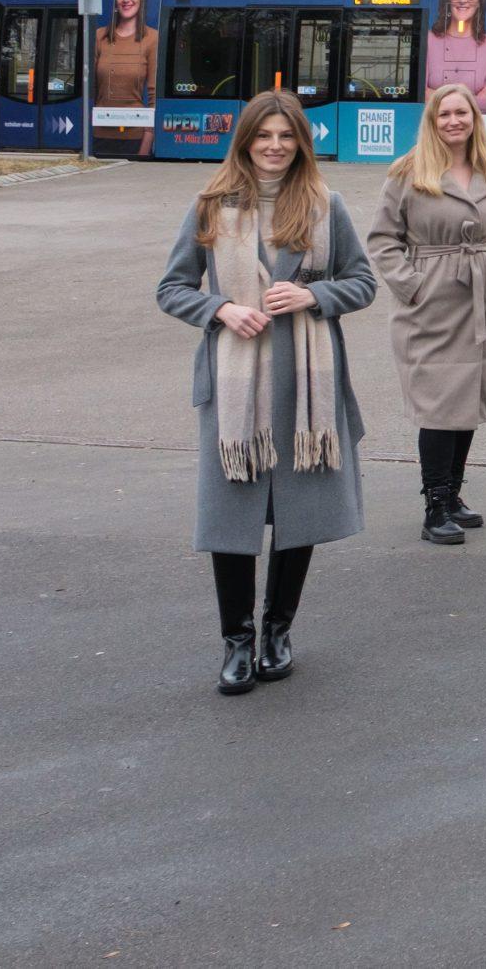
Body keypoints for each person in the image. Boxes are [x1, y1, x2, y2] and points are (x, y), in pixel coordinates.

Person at [155, 89, 377, 695]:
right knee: (233, 516)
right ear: (246, 140)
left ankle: (278, 630)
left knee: (298, 513)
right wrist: (221, 308)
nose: (275, 147)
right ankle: (236, 640)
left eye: (286, 136)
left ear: (300, 142)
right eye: (264, 136)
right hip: (234, 393)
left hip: (308, 389)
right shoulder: (211, 205)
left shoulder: (327, 204)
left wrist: (314, 296)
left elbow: (362, 282)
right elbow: (172, 288)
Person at [368, 83, 486, 547]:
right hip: (432, 303)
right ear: (432, 122)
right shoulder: (408, 172)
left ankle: (453, 495)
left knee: (467, 400)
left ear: (474, 118)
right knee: (439, 404)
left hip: (482, 302)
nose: (454, 121)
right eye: (444, 114)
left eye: (462, 113)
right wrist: (414, 286)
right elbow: (382, 240)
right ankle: (434, 505)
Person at [92, 0, 155, 157]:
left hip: (134, 140)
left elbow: (154, 98)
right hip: (100, 138)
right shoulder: (99, 37)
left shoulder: (152, 39)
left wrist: (145, 148)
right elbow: (90, 91)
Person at [425, 0, 486, 111]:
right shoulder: (428, 40)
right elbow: (420, 94)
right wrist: (474, 100)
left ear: (479, 1)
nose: (463, 0)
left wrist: (436, 97)